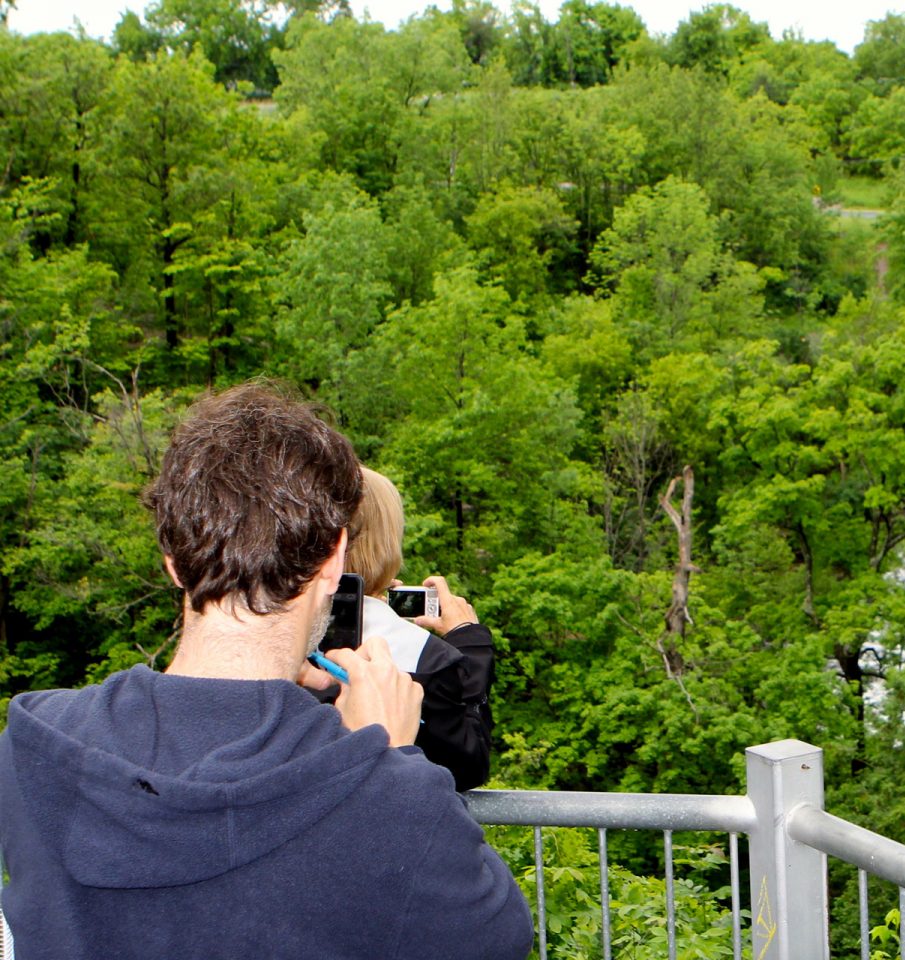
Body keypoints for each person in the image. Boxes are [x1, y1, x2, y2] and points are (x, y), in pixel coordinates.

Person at [0, 383, 533, 960]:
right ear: (334, 561)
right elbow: (494, 935)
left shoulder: (32, 749)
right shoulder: (379, 798)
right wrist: (391, 760)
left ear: (172, 561)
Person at [346, 466, 497, 790]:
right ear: (384, 544)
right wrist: (470, 643)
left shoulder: (276, 628)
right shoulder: (422, 656)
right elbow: (467, 764)